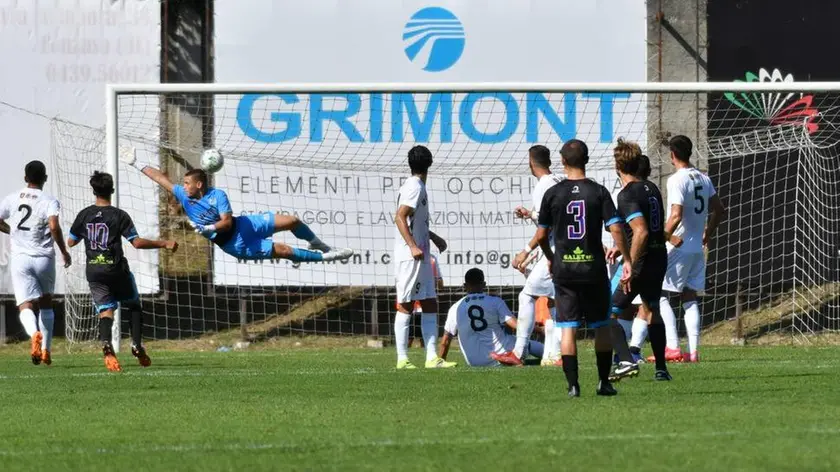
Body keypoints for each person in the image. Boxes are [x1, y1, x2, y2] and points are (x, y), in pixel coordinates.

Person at [121, 153, 352, 263]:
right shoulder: (183, 195)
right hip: (236, 243)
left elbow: (227, 222)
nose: (183, 186)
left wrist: (208, 227)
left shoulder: (218, 195)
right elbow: (161, 179)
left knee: (291, 220)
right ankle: (325, 257)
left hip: (243, 225)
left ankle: (316, 242)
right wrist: (136, 163)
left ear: (198, 185)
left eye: (187, 183)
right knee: (283, 250)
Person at [534, 139, 632, 397]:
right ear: (586, 160)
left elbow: (542, 236)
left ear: (563, 162)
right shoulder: (599, 192)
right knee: (601, 326)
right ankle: (603, 382)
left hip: (565, 270)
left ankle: (573, 386)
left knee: (568, 328)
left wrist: (551, 257)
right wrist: (628, 259)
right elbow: (616, 228)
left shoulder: (552, 194)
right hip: (594, 270)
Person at [67, 172, 178, 372]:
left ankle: (107, 344)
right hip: (116, 268)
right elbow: (136, 242)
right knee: (133, 305)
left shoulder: (84, 214)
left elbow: (71, 241)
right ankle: (136, 344)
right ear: (112, 190)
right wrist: (164, 243)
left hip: (94, 270)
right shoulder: (119, 215)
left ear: (93, 190)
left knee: (106, 311)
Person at [607, 141, 671, 382]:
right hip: (658, 257)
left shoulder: (626, 194)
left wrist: (629, 263)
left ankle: (625, 360)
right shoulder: (651, 187)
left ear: (618, 165)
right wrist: (620, 247)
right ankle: (662, 369)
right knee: (652, 309)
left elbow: (640, 231)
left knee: (606, 313)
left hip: (641, 261)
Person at [493, 145, 562, 367]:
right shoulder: (559, 180)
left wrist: (525, 250)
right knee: (553, 303)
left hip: (554, 250)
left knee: (527, 296)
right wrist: (531, 214)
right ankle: (556, 354)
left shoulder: (542, 186)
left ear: (531, 162)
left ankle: (519, 352)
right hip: (565, 248)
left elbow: (547, 226)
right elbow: (549, 217)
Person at [660, 136, 725, 362]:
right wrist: (708, 232)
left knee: (660, 295)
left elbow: (676, 214)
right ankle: (694, 352)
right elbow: (720, 209)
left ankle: (673, 348)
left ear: (672, 155)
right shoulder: (704, 178)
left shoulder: (677, 180)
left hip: (679, 247)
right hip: (698, 248)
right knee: (689, 296)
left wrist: (663, 236)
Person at [0, 160, 71, 365]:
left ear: (25, 178)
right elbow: (54, 226)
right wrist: (64, 251)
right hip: (44, 258)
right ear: (45, 179)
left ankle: (34, 335)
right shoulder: (49, 200)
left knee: (25, 304)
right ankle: (47, 350)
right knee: (46, 302)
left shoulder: (12, 198)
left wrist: (11, 230)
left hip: (21, 259)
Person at [393, 145, 454, 369]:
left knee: (429, 303)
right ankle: (402, 359)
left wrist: (433, 237)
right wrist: (412, 246)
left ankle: (431, 358)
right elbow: (400, 217)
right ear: (430, 163)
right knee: (406, 305)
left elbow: (414, 221)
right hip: (411, 257)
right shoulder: (414, 187)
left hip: (420, 255)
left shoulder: (417, 185)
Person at [439, 268, 544, 367]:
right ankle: (551, 355)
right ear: (484, 284)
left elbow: (445, 340)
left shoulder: (456, 307)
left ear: (465, 286)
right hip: (500, 354)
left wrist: (441, 360)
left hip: (474, 362)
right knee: (526, 343)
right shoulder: (495, 301)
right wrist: (539, 330)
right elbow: (515, 324)